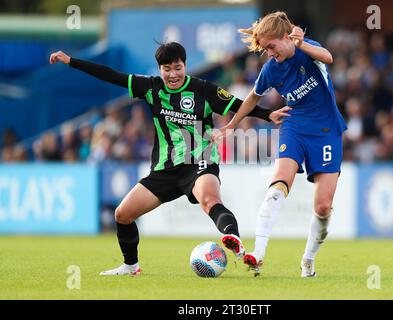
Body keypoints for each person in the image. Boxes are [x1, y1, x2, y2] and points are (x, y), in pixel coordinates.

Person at [49, 42, 289, 275]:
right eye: (167, 69)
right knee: (122, 214)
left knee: (209, 200)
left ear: (185, 65)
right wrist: (71, 61)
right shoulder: (151, 87)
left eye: (177, 67)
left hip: (199, 162)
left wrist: (268, 115)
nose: (173, 74)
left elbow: (237, 105)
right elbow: (111, 75)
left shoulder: (204, 89)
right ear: (160, 69)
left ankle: (234, 242)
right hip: (164, 170)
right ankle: (131, 266)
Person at [213, 12, 347, 277]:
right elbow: (253, 98)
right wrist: (231, 124)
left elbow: (328, 58)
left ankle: (308, 259)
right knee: (277, 187)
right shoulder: (271, 69)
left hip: (326, 130)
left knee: (322, 207)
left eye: (271, 46)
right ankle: (258, 253)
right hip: (294, 126)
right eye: (264, 49)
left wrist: (302, 44)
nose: (269, 53)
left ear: (286, 37)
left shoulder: (308, 50)